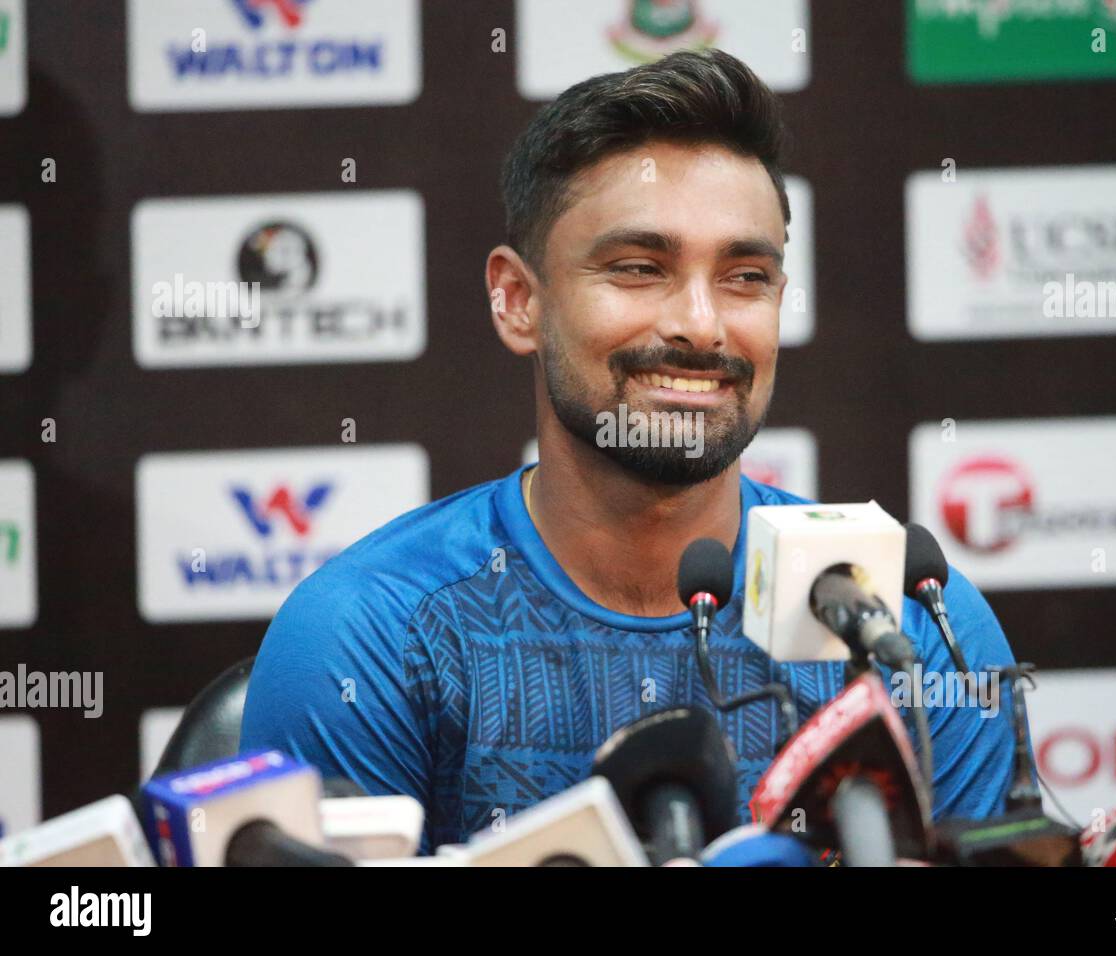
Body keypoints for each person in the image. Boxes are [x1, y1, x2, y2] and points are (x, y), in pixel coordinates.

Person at [240, 48, 1020, 854]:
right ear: (517, 300)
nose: (701, 324)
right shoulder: (372, 631)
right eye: (640, 268)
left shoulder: (907, 621)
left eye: (745, 276)